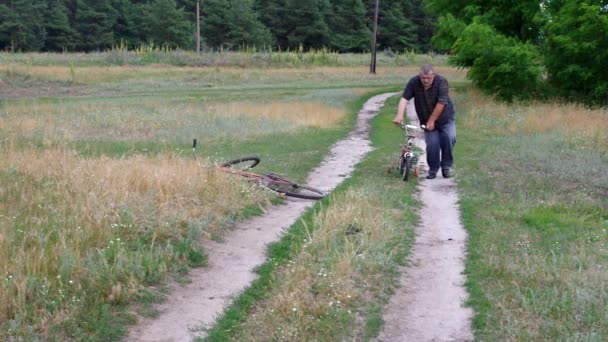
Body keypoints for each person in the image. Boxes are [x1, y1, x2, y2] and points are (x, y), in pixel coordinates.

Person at [392, 64, 456, 179]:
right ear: (419, 76)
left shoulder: (442, 82)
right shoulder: (414, 82)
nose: (425, 80)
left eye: (428, 78)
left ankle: (446, 167)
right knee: (432, 144)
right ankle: (433, 169)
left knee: (449, 139)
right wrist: (399, 115)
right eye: (423, 78)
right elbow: (404, 98)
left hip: (445, 118)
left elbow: (441, 103)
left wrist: (432, 121)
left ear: (433, 76)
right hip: (426, 120)